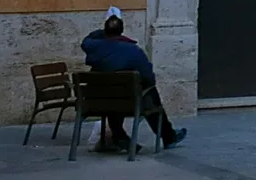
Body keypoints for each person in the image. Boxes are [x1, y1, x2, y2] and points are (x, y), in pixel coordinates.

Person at [80, 10, 186, 153]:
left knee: (114, 95)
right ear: (122, 31)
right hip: (130, 102)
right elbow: (149, 77)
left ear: (104, 31)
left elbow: (87, 40)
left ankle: (119, 136)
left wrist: (103, 32)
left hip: (98, 102)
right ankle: (168, 136)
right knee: (150, 95)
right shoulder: (133, 51)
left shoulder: (93, 47)